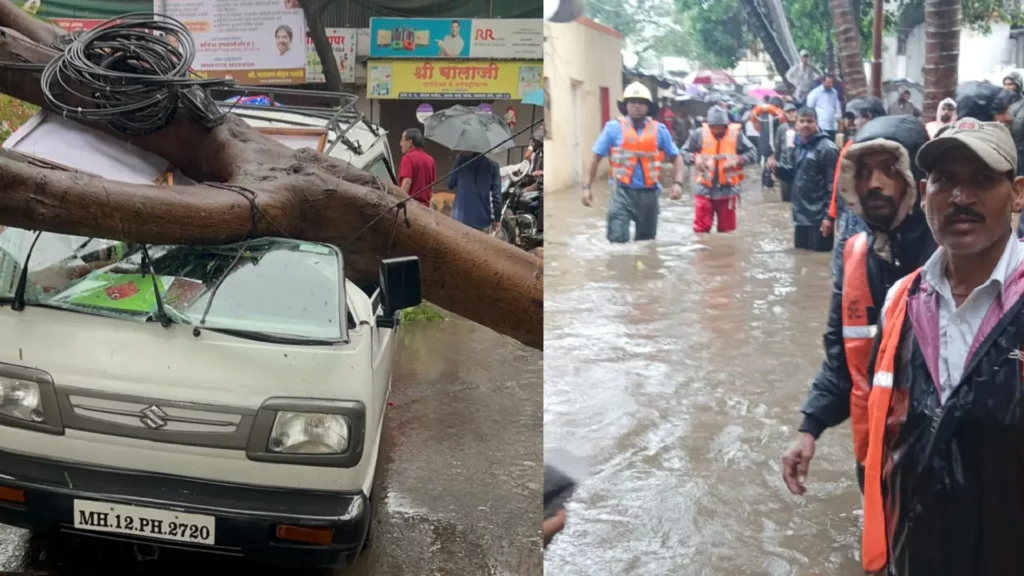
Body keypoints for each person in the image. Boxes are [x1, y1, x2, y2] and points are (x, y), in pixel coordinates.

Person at [858, 118, 1024, 575]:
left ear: (1018, 193)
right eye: (945, 179)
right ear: (925, 191)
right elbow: (885, 441)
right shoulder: (900, 302)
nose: (961, 197)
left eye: (983, 179)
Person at [781, 116, 934, 499]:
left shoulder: (954, 256)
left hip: (941, 463)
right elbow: (842, 359)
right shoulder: (855, 256)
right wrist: (809, 428)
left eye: (889, 169)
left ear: (917, 180)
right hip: (875, 458)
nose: (874, 183)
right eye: (863, 171)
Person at [582, 82, 684, 243]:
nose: (637, 106)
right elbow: (594, 157)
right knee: (616, 242)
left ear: (648, 107)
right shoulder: (612, 128)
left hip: (649, 194)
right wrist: (586, 187)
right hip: (620, 192)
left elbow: (676, 158)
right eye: (632, 102)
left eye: (641, 102)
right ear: (626, 106)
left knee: (646, 243)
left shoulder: (660, 130)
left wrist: (677, 183)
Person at [823, 97, 888, 277]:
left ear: (869, 118)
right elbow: (838, 182)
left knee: (864, 268)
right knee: (842, 268)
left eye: (854, 118)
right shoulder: (850, 145)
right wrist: (831, 215)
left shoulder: (884, 148)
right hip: (846, 215)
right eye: (848, 118)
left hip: (868, 217)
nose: (850, 123)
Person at [681, 106, 758, 234]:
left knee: (727, 231)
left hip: (727, 191)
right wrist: (695, 158)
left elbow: (753, 152)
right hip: (704, 189)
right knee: (701, 230)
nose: (716, 130)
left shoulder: (737, 135)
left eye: (720, 127)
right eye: (713, 127)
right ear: (709, 125)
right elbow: (683, 151)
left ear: (726, 126)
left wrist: (738, 159)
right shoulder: (699, 134)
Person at [779, 107, 838, 251]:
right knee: (801, 260)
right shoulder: (798, 145)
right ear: (796, 124)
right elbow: (793, 176)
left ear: (816, 123)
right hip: (800, 216)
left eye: (810, 121)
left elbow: (834, 187)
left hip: (818, 218)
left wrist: (828, 217)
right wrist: (777, 169)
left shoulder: (827, 148)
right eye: (802, 121)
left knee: (818, 260)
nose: (805, 125)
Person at [447, 150, 502, 233]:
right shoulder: (493, 166)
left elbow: (450, 184)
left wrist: (457, 161)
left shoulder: (461, 161)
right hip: (482, 221)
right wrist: (497, 219)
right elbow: (497, 196)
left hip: (459, 219)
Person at [398, 128, 436, 208]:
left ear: (410, 142)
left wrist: (399, 203)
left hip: (411, 208)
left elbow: (407, 183)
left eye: (402, 140)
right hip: (426, 209)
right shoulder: (430, 160)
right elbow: (431, 186)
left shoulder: (408, 158)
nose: (400, 144)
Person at [768, 103, 799, 202]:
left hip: (798, 162)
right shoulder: (781, 129)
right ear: (785, 114)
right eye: (788, 112)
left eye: (793, 111)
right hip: (784, 161)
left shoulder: (800, 126)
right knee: (786, 196)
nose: (791, 114)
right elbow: (777, 147)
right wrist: (776, 163)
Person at [806, 75, 841, 140]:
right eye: (828, 83)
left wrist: (838, 118)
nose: (831, 84)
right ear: (823, 82)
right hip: (820, 125)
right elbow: (810, 109)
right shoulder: (814, 93)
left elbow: (836, 106)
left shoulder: (834, 92)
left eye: (832, 83)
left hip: (832, 125)